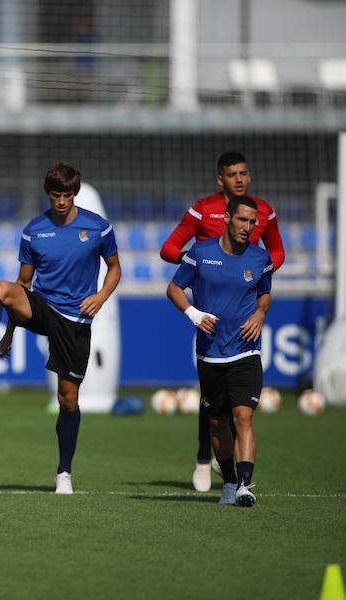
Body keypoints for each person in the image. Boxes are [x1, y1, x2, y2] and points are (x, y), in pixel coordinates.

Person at [0, 162, 121, 494]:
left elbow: (115, 268)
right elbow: (24, 284)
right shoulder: (34, 231)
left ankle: (64, 472)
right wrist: (10, 331)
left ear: (75, 193)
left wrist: (101, 296)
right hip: (44, 307)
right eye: (56, 195)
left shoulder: (98, 228)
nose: (61, 201)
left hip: (76, 319)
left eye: (67, 195)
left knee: (68, 399)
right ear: (48, 194)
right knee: (0, 288)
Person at [160, 151, 284, 493]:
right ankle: (205, 460)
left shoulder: (262, 220)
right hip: (209, 325)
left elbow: (276, 255)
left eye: (244, 172)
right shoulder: (203, 215)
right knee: (214, 413)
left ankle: (242, 485)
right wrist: (200, 268)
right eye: (232, 174)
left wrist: (256, 274)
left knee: (242, 415)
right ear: (221, 179)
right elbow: (169, 252)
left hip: (244, 334)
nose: (240, 179)